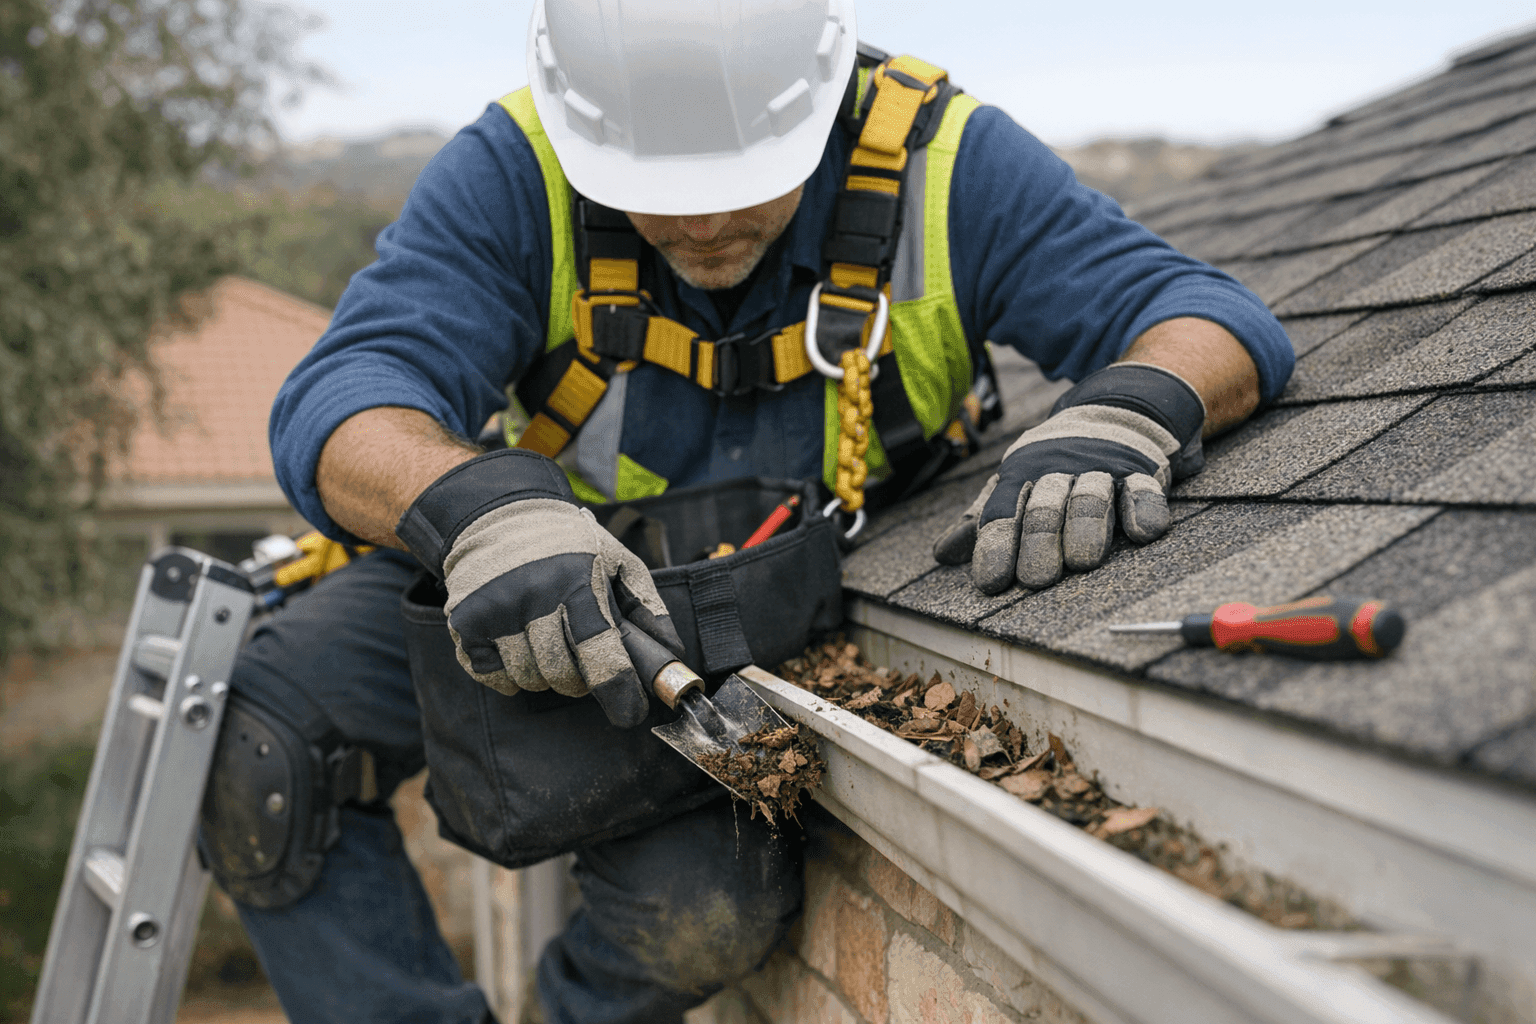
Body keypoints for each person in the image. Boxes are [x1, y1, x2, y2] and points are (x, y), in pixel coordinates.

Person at [202, 1, 1294, 1022]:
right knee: (257, 739)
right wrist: (480, 507)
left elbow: (1205, 315)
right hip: (546, 579)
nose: (708, 219)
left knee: (699, 919)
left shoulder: (938, 161)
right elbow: (343, 400)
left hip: (751, 630)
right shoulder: (516, 170)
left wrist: (1123, 413)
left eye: (745, 179)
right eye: (657, 185)